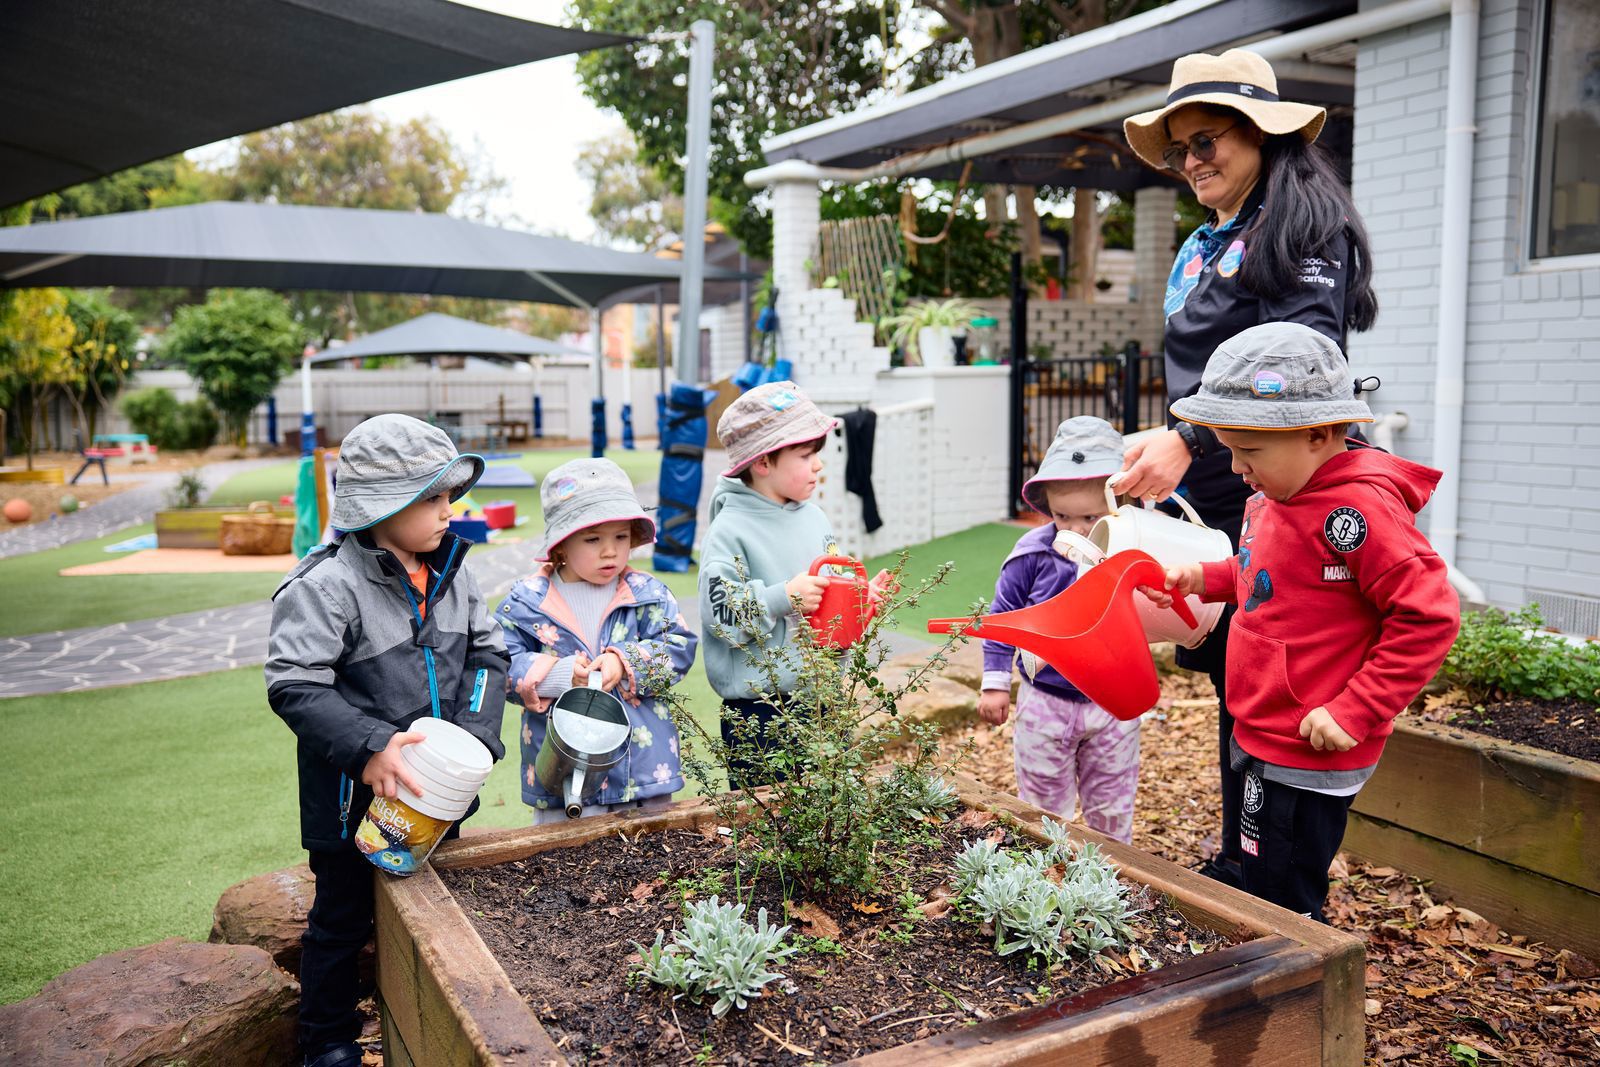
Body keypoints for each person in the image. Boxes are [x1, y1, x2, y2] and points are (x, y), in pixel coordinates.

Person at [1118, 47, 1380, 885]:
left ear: (1262, 134)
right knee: (1245, 681)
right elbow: (1210, 375)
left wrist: (1190, 440)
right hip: (1238, 497)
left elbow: (1299, 361)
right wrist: (1170, 436)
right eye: (1179, 148)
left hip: (1288, 500)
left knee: (1283, 687)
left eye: (1208, 140)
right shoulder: (1210, 243)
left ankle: (1283, 902)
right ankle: (1247, 864)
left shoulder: (1304, 226)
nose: (1192, 160)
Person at [1145, 322, 1459, 920]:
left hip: (1309, 742)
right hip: (1263, 725)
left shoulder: (1358, 511)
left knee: (1284, 892)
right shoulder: (1274, 494)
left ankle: (1291, 982)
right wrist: (1205, 578)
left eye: (1249, 451)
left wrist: (1357, 708)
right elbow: (1263, 575)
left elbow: (1429, 616)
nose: (1236, 468)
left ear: (1318, 433)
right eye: (1230, 450)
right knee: (1260, 862)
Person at [265, 414, 509, 1067]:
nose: (447, 509)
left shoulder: (457, 570)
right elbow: (294, 685)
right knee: (341, 922)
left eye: (447, 494)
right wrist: (372, 745)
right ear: (382, 507)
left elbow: (488, 657)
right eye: (431, 497)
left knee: (430, 904)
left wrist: (480, 734)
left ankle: (419, 1008)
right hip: (351, 801)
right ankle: (328, 1038)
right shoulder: (325, 586)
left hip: (435, 796)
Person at [698, 381, 891, 785]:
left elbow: (828, 590)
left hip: (823, 696)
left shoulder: (813, 516)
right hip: (761, 710)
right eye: (805, 456)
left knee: (831, 809)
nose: (818, 465)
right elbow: (722, 615)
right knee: (767, 825)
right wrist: (781, 597)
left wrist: (860, 599)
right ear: (763, 463)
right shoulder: (729, 530)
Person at [499, 458, 698, 823]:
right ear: (560, 546)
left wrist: (625, 662)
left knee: (651, 855)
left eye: (621, 537)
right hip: (562, 768)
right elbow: (499, 663)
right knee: (566, 861)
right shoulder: (527, 602)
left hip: (642, 770)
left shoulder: (647, 593)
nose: (610, 551)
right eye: (593, 539)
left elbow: (678, 645)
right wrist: (557, 674)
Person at [978, 417, 1141, 842]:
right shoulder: (1032, 554)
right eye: (1062, 516)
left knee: (1112, 801)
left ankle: (1114, 876)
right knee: (1042, 804)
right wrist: (995, 684)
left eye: (1091, 517)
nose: (1076, 531)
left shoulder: (1134, 551)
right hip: (1045, 698)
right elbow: (1003, 617)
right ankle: (1047, 869)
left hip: (1112, 701)